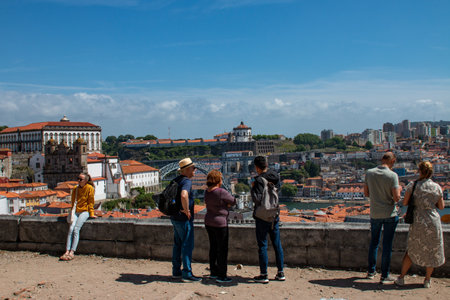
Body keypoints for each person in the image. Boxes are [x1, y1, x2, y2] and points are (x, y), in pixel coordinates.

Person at [395, 161, 445, 288]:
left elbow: (405, 203)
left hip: (418, 221)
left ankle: (401, 278)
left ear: (419, 171)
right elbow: (441, 206)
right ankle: (427, 280)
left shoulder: (413, 185)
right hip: (433, 221)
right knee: (432, 251)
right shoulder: (437, 187)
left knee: (411, 250)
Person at [364, 151, 401, 284]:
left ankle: (371, 271)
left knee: (374, 243)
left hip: (375, 213)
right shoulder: (393, 175)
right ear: (393, 161)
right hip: (389, 213)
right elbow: (396, 198)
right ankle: (385, 275)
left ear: (381, 159)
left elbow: (366, 193)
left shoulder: (369, 173)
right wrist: (400, 190)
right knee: (387, 245)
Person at [251, 156, 285, 284]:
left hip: (262, 216)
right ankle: (280, 272)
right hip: (274, 214)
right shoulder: (275, 176)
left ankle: (264, 274)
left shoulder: (259, 180)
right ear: (266, 164)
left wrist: (253, 187)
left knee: (263, 245)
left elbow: (257, 199)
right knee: (277, 244)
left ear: (257, 167)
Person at [170, 158, 201, 282]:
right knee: (187, 245)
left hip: (175, 217)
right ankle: (187, 273)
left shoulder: (175, 180)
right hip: (184, 219)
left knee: (177, 245)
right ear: (187, 169)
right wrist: (186, 209)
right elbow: (184, 195)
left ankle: (176, 271)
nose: (195, 170)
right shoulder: (186, 181)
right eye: (193, 168)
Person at [204, 169, 237, 283]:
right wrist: (226, 204)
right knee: (222, 249)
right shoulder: (221, 192)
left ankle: (213, 272)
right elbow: (233, 201)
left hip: (208, 222)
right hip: (220, 223)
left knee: (213, 247)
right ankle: (222, 275)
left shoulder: (207, 192)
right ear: (218, 180)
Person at [60, 172, 96, 261]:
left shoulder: (90, 188)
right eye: (78, 179)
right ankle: (67, 251)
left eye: (80, 179)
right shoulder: (75, 189)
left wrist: (91, 213)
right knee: (71, 229)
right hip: (76, 211)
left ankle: (72, 251)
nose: (78, 180)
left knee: (76, 229)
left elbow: (91, 202)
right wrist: (72, 213)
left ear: (86, 181)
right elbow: (73, 202)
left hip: (85, 211)